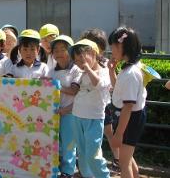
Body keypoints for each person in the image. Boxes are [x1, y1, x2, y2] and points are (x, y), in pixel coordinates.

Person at [108, 27, 147, 178]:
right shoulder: (129, 69)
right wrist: (112, 71)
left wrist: (118, 134)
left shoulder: (130, 73)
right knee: (128, 158)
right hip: (130, 117)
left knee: (124, 163)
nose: (112, 51)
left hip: (130, 119)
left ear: (124, 47)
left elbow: (128, 106)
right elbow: (120, 90)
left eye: (113, 47)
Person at [81, 28, 120, 172]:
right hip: (88, 105)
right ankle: (92, 165)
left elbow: (110, 80)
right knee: (91, 138)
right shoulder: (83, 61)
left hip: (103, 103)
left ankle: (117, 159)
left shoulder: (104, 62)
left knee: (109, 132)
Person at [70, 39, 110, 178]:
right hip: (77, 115)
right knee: (81, 152)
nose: (79, 63)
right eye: (76, 60)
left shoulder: (104, 71)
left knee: (93, 154)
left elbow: (99, 85)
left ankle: (103, 176)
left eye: (82, 59)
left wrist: (87, 67)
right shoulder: (81, 72)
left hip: (94, 118)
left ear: (93, 53)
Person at [48, 35, 81, 178]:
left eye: (63, 49)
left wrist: (56, 86)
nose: (59, 53)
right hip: (54, 112)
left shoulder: (76, 70)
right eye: (56, 50)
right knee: (54, 141)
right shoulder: (51, 71)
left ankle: (68, 171)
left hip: (70, 111)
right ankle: (55, 168)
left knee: (68, 142)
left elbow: (74, 91)